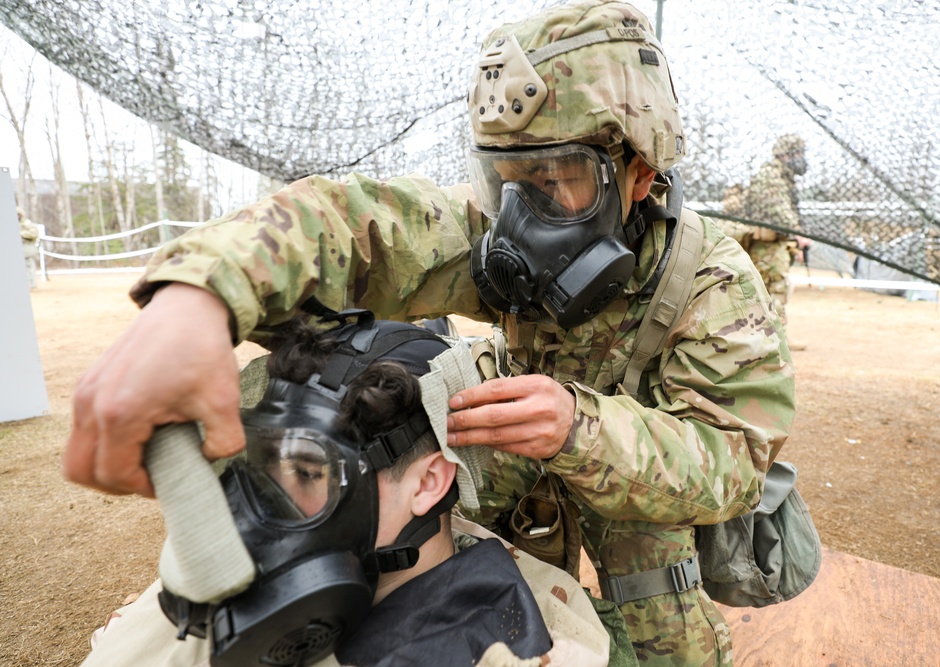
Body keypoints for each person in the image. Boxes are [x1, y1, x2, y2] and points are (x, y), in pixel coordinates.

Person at [65, 2, 796, 664]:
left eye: (556, 180)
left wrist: (580, 427)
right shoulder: (499, 230)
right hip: (518, 456)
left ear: (638, 174)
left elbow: (733, 468)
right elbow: (351, 225)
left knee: (662, 643)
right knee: (411, 516)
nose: (521, 214)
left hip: (643, 495)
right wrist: (198, 295)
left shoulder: (712, 286)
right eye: (506, 176)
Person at [82, 315, 613, 667]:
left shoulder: (513, 645)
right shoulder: (229, 586)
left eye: (308, 473)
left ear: (429, 483)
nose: (267, 501)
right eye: (261, 463)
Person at [742, 134, 812, 349]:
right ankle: (775, 340)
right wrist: (797, 233)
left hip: (775, 244)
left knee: (776, 291)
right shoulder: (771, 175)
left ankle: (775, 337)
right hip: (766, 246)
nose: (801, 158)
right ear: (785, 155)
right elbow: (778, 209)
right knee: (773, 290)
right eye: (798, 153)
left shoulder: (782, 176)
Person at [17, 206, 39, 289]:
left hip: (27, 249)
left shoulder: (27, 223)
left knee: (29, 266)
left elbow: (34, 234)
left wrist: (21, 234)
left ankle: (31, 284)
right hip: (18, 251)